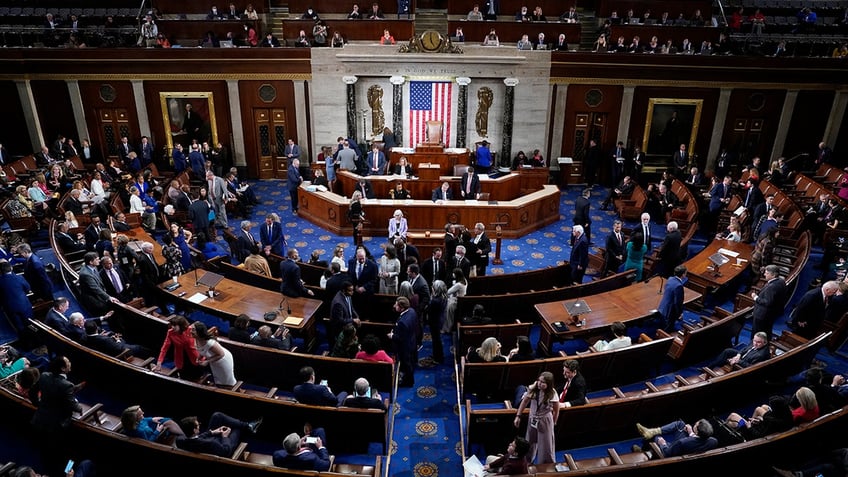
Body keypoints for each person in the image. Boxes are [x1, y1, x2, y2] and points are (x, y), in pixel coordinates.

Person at [28, 356, 83, 435]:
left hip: (39, 418)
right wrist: (80, 408)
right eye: (68, 363)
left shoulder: (44, 376)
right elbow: (72, 405)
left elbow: (32, 392)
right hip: (56, 426)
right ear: (63, 368)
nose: (70, 363)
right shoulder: (67, 385)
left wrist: (37, 404)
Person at [513, 372, 558, 464]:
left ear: (548, 384)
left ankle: (546, 465)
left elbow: (556, 410)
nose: (539, 384)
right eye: (539, 381)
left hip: (545, 420)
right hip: (532, 419)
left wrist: (554, 422)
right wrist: (518, 416)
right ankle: (527, 461)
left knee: (546, 445)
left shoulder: (552, 393)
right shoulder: (534, 389)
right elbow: (525, 401)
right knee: (529, 442)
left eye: (543, 382)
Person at [175, 411, 262, 457]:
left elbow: (195, 439)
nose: (199, 426)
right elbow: (226, 451)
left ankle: (248, 425)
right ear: (194, 430)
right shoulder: (211, 444)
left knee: (217, 416)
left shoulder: (180, 440)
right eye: (198, 425)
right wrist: (225, 437)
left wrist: (212, 432)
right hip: (222, 446)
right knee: (236, 428)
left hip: (208, 442)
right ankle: (247, 426)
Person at [634, 419, 718, 457]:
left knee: (655, 438)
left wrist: (663, 444)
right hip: (690, 447)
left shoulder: (682, 442)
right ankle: (653, 431)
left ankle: (642, 450)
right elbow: (696, 440)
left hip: (673, 451)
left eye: (694, 426)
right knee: (680, 424)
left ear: (697, 431)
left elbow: (667, 453)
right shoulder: (713, 441)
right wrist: (690, 432)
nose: (693, 425)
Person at [191, 321, 236, 387]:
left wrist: (207, 361)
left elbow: (221, 354)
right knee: (218, 378)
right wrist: (199, 357)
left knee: (227, 380)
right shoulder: (196, 339)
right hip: (213, 360)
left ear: (199, 332)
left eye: (193, 330)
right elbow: (202, 350)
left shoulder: (210, 343)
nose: (191, 331)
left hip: (223, 360)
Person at [752, 264, 788, 341]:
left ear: (773, 275)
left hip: (762, 315)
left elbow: (768, 302)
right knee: (767, 331)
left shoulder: (772, 287)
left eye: (767, 273)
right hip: (771, 314)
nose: (764, 274)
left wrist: (756, 297)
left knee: (757, 333)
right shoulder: (781, 281)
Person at [389, 296, 417, 387]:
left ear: (402, 308)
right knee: (409, 363)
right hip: (412, 340)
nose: (394, 306)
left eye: (396, 305)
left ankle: (408, 382)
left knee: (406, 364)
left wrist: (392, 336)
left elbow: (401, 339)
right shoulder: (412, 311)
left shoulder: (403, 322)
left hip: (405, 347)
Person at [443, 267, 468, 333]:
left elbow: (448, 291)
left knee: (448, 314)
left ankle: (448, 329)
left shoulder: (458, 285)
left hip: (456, 301)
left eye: (453, 273)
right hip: (461, 300)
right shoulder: (464, 280)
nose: (452, 274)